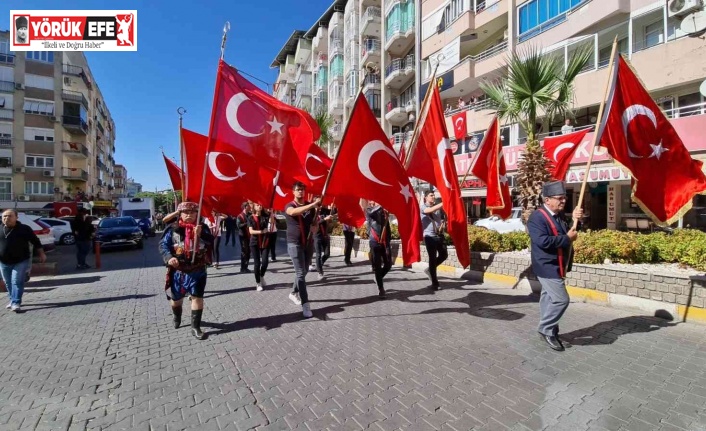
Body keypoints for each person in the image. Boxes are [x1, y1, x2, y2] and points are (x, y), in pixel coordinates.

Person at [527, 181, 583, 352]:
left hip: (559, 264)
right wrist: (567, 239)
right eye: (559, 198)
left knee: (548, 297)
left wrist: (575, 220)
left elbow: (569, 232)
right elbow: (543, 241)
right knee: (561, 300)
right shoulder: (537, 217)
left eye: (564, 198)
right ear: (547, 199)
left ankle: (551, 329)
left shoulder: (558, 215)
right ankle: (546, 329)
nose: (563, 201)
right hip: (547, 265)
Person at [159, 202, 214, 340]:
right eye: (186, 212)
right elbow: (163, 245)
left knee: (197, 297)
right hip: (178, 270)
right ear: (180, 214)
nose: (189, 215)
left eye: (192, 212)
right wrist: (169, 257)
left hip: (198, 269)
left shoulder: (203, 228)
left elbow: (211, 241)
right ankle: (177, 316)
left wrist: (201, 234)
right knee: (176, 299)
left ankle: (195, 327)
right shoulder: (172, 229)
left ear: (197, 214)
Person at [284, 181, 320, 318]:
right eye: (298, 190)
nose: (301, 192)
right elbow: (293, 212)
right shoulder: (289, 206)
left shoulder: (310, 208)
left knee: (304, 271)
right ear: (293, 192)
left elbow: (314, 224)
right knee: (300, 273)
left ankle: (293, 292)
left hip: (308, 243)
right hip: (294, 244)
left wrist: (315, 225)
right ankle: (306, 305)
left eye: (302, 190)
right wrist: (312, 204)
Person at [0, 209, 45, 312]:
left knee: (17, 281)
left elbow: (36, 241)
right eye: (4, 216)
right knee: (8, 282)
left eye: (10, 216)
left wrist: (41, 253)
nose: (6, 218)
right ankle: (12, 300)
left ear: (16, 217)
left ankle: (16, 302)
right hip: (3, 262)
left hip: (20, 260)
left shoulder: (24, 229)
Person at [360, 198, 391, 299]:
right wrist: (382, 206)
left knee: (388, 264)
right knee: (378, 266)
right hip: (375, 241)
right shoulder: (370, 210)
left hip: (384, 242)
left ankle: (378, 278)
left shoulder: (384, 213)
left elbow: (388, 228)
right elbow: (373, 212)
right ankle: (381, 288)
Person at [420, 191, 448, 290]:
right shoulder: (423, 207)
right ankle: (435, 283)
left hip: (439, 235)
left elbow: (439, 218)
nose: (433, 197)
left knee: (444, 255)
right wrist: (443, 203)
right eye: (431, 196)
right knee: (432, 258)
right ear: (426, 198)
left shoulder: (437, 207)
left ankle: (430, 269)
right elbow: (429, 211)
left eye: (434, 195)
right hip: (429, 237)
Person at [248, 203, 271, 291]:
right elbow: (251, 231)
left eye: (261, 205)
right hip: (254, 243)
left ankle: (261, 276)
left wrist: (272, 213)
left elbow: (272, 222)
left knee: (265, 262)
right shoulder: (250, 217)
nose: (260, 206)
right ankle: (258, 283)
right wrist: (261, 231)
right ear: (254, 206)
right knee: (257, 264)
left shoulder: (266, 216)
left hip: (265, 242)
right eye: (257, 205)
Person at [311, 202, 333, 280]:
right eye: (317, 204)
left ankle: (319, 264)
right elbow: (314, 223)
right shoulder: (311, 212)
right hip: (317, 236)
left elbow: (330, 221)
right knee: (318, 254)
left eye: (320, 204)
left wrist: (330, 218)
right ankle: (320, 272)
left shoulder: (324, 211)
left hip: (325, 235)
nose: (319, 206)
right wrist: (324, 219)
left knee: (327, 254)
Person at [235, 202, 252, 273]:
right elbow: (238, 225)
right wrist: (246, 224)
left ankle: (246, 267)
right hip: (243, 236)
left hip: (249, 236)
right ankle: (242, 268)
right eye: (248, 206)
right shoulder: (240, 216)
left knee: (248, 252)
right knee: (244, 251)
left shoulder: (249, 215)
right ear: (245, 207)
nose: (250, 207)